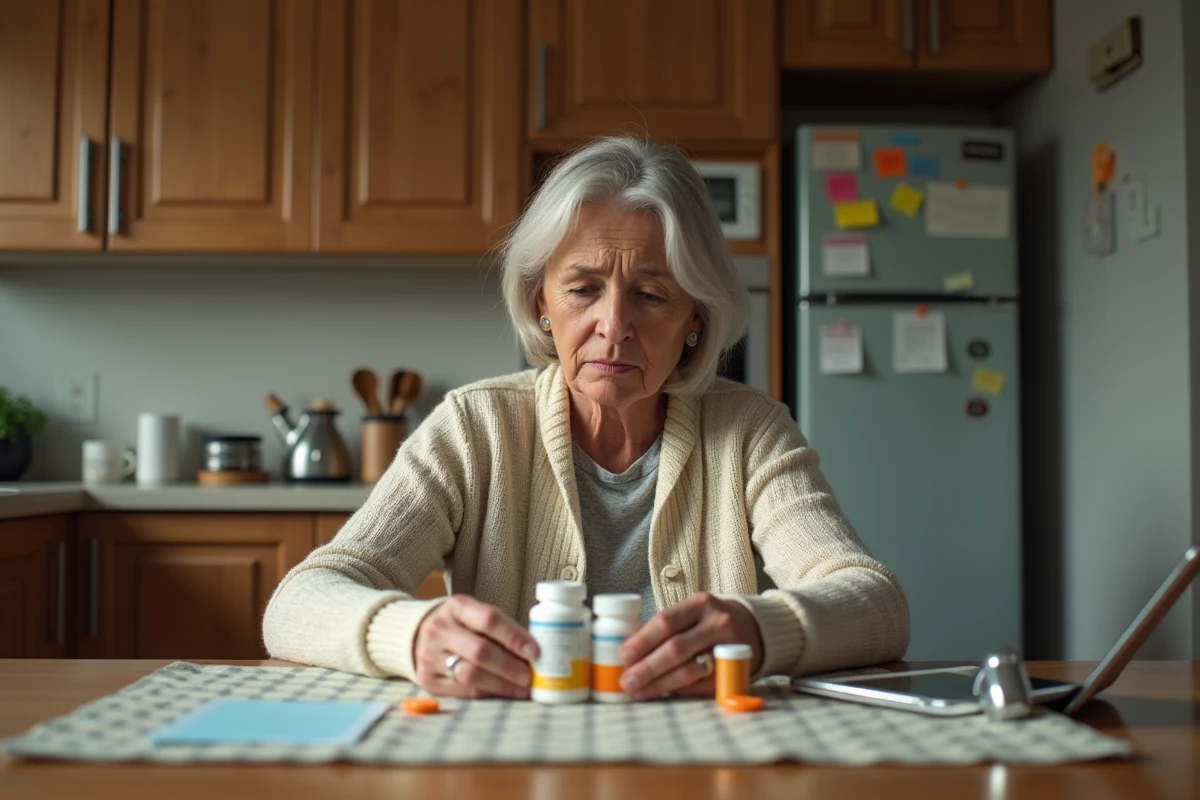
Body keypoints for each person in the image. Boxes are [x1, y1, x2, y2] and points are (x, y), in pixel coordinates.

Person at [263, 136, 909, 701]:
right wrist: (411, 634)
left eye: (652, 295)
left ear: (695, 321)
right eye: (582, 289)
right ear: (541, 302)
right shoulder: (474, 428)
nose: (614, 327)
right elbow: (297, 602)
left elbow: (876, 603)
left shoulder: (751, 432)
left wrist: (760, 633)